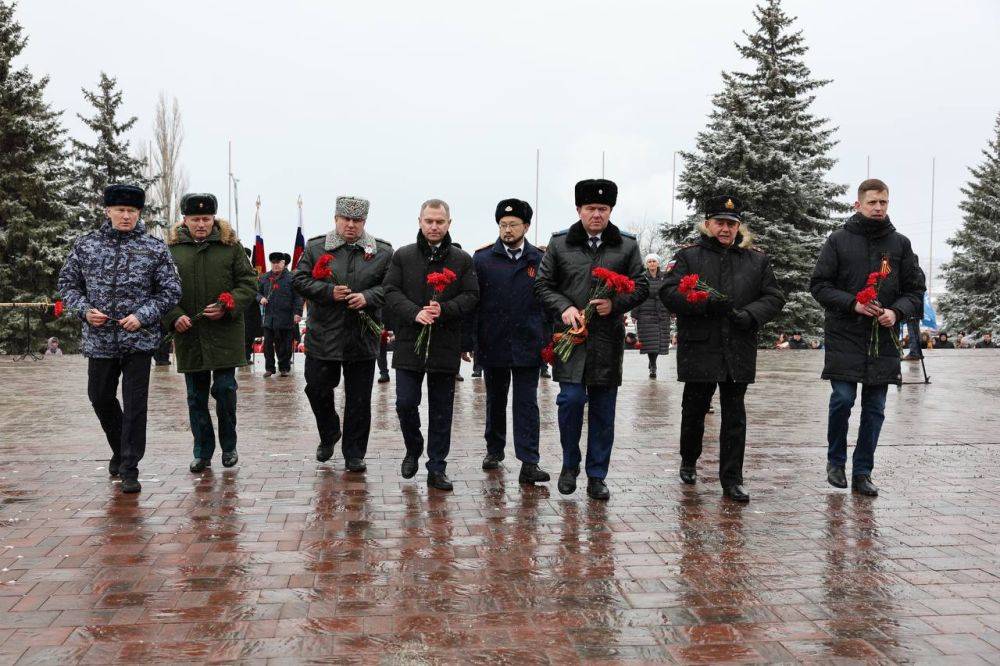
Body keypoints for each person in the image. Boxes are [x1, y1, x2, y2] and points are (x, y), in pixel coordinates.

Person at [57, 184, 182, 494]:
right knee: (99, 397)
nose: (126, 216)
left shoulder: (153, 248)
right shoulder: (86, 246)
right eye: (120, 210)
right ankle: (119, 446)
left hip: (138, 339)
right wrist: (84, 310)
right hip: (99, 340)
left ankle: (129, 467)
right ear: (107, 211)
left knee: (136, 404)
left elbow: (170, 291)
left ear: (139, 213)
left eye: (132, 211)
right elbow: (67, 284)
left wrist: (143, 315)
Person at [661, 195, 785, 503]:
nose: (725, 229)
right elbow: (668, 291)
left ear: (739, 226)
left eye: (731, 223)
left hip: (738, 346)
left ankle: (732, 479)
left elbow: (774, 296)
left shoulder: (756, 259)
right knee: (694, 410)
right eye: (720, 223)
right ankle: (689, 459)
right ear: (707, 224)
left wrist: (751, 314)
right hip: (700, 346)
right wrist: (702, 301)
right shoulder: (689, 256)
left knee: (734, 415)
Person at [810, 178, 926, 497]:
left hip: (884, 338)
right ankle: (835, 462)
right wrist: (853, 304)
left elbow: (915, 290)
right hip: (845, 334)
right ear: (858, 204)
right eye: (872, 202)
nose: (878, 207)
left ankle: (863, 472)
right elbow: (819, 285)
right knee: (843, 399)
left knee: (874, 408)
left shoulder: (900, 244)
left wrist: (897, 312)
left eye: (883, 202)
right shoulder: (838, 241)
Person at [534, 179, 649, 501]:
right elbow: (542, 286)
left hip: (606, 341)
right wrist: (566, 307)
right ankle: (570, 464)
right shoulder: (560, 244)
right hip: (571, 338)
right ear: (578, 210)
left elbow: (641, 286)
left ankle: (597, 475)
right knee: (570, 401)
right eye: (590, 209)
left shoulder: (626, 246)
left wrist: (616, 305)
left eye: (602, 209)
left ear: (611, 210)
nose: (596, 215)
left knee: (603, 410)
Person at [292, 196, 393, 472]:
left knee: (359, 399)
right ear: (335, 218)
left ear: (364, 222)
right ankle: (329, 432)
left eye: (357, 221)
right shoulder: (315, 247)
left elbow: (392, 287)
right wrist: (328, 292)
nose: (350, 225)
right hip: (324, 334)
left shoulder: (382, 252)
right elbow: (299, 280)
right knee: (316, 388)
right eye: (345, 219)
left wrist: (368, 297)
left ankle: (354, 453)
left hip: (361, 336)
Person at [383, 199, 479, 490]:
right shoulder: (403, 255)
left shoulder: (462, 260)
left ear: (449, 223)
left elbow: (472, 295)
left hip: (444, 344)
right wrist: (415, 312)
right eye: (429, 221)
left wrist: (444, 309)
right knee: (405, 403)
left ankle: (437, 466)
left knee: (441, 409)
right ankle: (414, 446)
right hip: (410, 342)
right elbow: (390, 290)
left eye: (440, 221)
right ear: (420, 221)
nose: (434, 226)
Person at [163, 193, 258, 473]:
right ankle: (203, 451)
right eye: (195, 219)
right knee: (196, 396)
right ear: (185, 220)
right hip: (190, 335)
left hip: (225, 334)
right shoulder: (171, 250)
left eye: (206, 218)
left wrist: (230, 304)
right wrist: (173, 316)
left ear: (214, 218)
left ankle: (229, 446)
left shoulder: (230, 246)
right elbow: (160, 288)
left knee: (225, 390)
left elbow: (248, 282)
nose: (201, 224)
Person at [470, 198, 550, 485]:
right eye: (503, 225)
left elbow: (547, 302)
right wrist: (472, 341)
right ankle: (494, 450)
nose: (507, 230)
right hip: (493, 340)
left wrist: (548, 338)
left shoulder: (539, 260)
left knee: (527, 403)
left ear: (526, 226)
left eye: (513, 225)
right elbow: (473, 303)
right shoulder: (482, 259)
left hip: (528, 341)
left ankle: (529, 461)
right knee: (495, 399)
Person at [257, 251, 303, 377]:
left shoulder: (292, 278)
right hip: (269, 318)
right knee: (268, 345)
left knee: (285, 345)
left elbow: (298, 297)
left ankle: (284, 367)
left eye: (279, 262)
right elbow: (256, 292)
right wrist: (260, 298)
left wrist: (297, 313)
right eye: (274, 263)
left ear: (284, 263)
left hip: (286, 318)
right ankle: (269, 368)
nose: (276, 265)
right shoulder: (264, 277)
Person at [631, 254, 671, 378]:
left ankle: (653, 362)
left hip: (662, 312)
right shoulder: (643, 278)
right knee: (650, 342)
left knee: (658, 342)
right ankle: (653, 365)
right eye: (649, 262)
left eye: (654, 261)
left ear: (658, 263)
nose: (652, 264)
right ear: (647, 264)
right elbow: (637, 295)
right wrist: (634, 314)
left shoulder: (665, 277)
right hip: (646, 313)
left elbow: (669, 294)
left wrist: (673, 309)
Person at [242, 247, 263, 366]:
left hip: (251, 307)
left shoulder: (253, 272)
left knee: (249, 334)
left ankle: (246, 355)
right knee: (240, 334)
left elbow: (257, 289)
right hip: (239, 306)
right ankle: (241, 356)